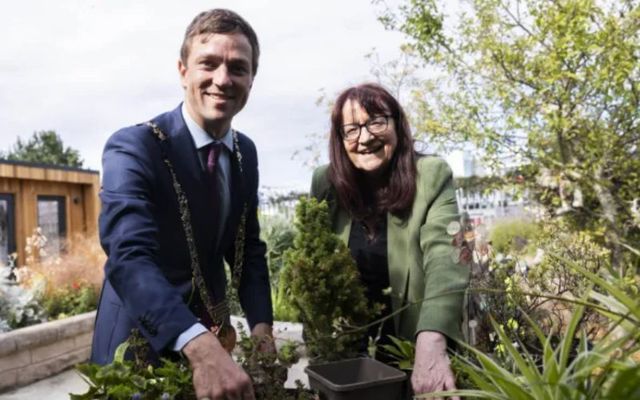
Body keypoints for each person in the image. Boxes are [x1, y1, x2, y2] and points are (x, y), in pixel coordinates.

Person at [91, 9, 273, 400]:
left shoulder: (247, 153)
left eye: (238, 68)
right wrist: (197, 344)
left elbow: (248, 249)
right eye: (208, 64)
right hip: (139, 341)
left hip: (212, 332)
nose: (222, 79)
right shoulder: (134, 146)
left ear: (251, 80)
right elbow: (129, 255)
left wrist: (261, 328)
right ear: (182, 70)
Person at [310, 83, 470, 398]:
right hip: (348, 358)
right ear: (340, 139)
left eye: (377, 122)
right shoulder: (325, 185)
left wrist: (432, 339)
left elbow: (446, 257)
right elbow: (314, 265)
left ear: (397, 124)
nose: (365, 137)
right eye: (352, 129)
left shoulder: (431, 176)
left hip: (413, 348)